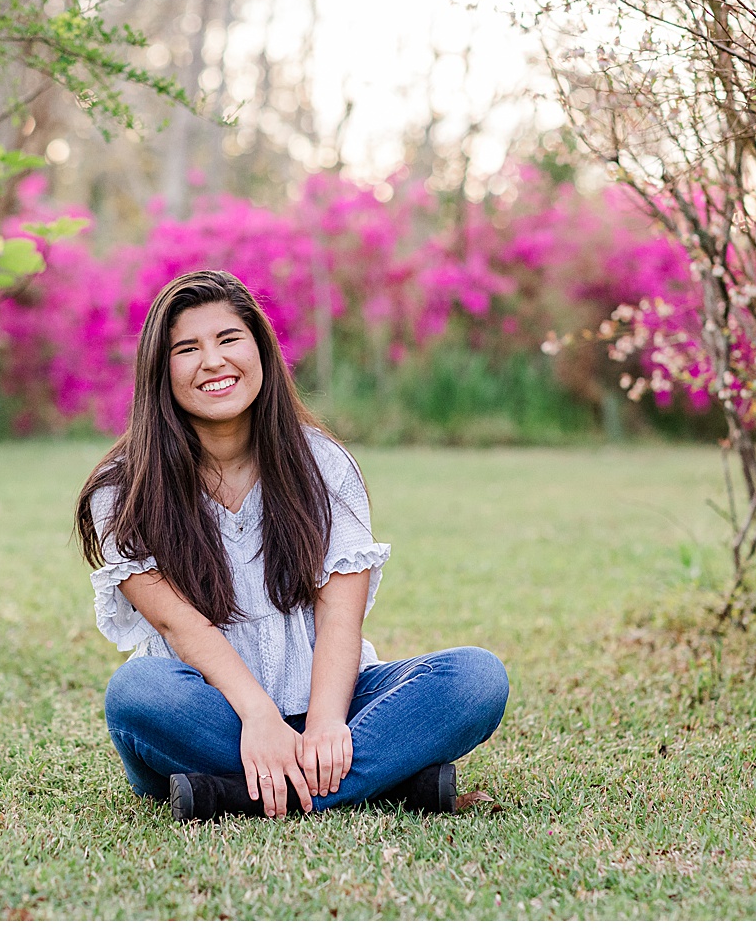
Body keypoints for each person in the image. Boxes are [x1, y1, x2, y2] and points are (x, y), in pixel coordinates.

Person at [76, 269, 509, 822]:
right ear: (161, 371)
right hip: (213, 716)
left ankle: (230, 796)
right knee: (140, 693)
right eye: (187, 348)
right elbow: (179, 627)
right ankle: (380, 781)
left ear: (261, 350)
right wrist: (259, 717)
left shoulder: (323, 464)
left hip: (336, 706)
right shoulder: (122, 489)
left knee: (475, 678)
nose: (213, 361)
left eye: (229, 339)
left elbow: (339, 618)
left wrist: (327, 723)